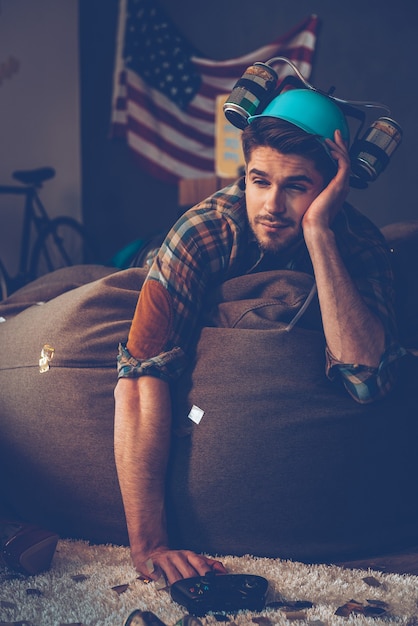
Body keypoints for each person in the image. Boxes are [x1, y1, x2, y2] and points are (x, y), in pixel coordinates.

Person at [114, 88, 405, 585]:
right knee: (120, 270)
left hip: (333, 238)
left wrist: (319, 234)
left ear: (336, 184)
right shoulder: (203, 231)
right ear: (244, 173)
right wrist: (151, 545)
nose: (271, 205)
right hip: (143, 261)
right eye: (259, 180)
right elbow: (141, 377)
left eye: (297, 186)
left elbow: (366, 381)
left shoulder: (358, 242)